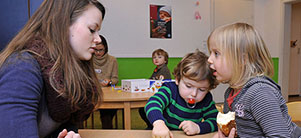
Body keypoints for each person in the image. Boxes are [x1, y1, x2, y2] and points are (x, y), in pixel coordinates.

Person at [0, 0, 105, 137]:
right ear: (63, 23)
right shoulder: (22, 68)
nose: (98, 39)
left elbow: (64, 126)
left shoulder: (66, 73)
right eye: (92, 30)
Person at [207, 22, 301, 138]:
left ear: (242, 59)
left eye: (216, 53)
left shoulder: (260, 93)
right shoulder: (230, 93)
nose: (209, 59)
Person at [145, 50, 219, 137]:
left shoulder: (206, 99)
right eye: (188, 86)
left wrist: (198, 127)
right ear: (177, 79)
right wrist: (159, 123)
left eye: (202, 90)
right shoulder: (170, 89)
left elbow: (216, 121)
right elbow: (153, 103)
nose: (194, 94)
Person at [139, 48, 172, 129]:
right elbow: (151, 80)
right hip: (155, 93)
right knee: (142, 109)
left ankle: (152, 125)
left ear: (165, 60)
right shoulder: (157, 69)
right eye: (154, 57)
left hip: (162, 96)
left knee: (143, 109)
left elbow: (160, 82)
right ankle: (151, 125)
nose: (156, 59)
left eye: (159, 57)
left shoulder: (164, 70)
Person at [93, 34, 118, 129]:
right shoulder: (88, 59)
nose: (98, 53)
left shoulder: (112, 60)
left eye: (101, 50)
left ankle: (107, 132)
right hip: (93, 93)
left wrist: (110, 81)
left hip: (108, 94)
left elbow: (115, 80)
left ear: (105, 48)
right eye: (96, 50)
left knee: (107, 114)